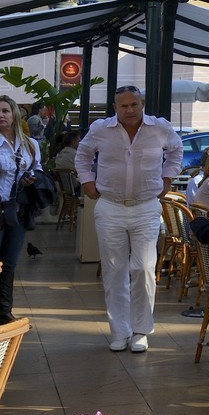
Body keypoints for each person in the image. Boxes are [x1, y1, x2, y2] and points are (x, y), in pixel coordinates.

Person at [76, 85, 182, 353]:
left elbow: (176, 150)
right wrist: (87, 181)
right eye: (124, 106)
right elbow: (83, 155)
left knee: (144, 268)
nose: (130, 110)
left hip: (146, 205)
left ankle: (141, 330)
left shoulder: (159, 128)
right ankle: (119, 331)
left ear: (142, 104)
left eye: (134, 104)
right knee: (114, 271)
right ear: (115, 108)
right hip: (110, 206)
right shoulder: (101, 129)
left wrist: (167, 179)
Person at [1, 94, 47, 324]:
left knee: (9, 262)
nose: (1, 115)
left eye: (5, 111)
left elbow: (37, 168)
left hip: (18, 209)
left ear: (14, 115)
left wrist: (32, 178)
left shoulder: (30, 143)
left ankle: (4, 312)